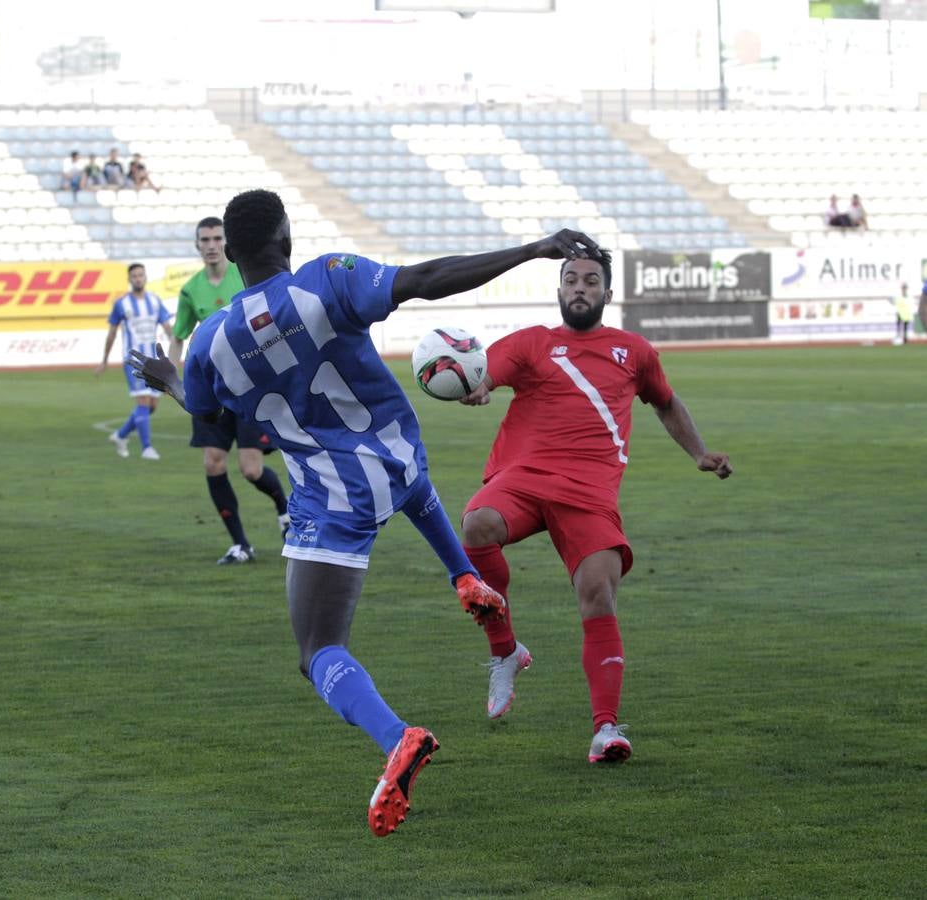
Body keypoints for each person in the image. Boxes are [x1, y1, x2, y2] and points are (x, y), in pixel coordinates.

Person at [129, 189, 596, 837]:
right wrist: (533, 249)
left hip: (334, 494)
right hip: (401, 458)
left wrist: (166, 379)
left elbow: (208, 413)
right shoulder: (326, 279)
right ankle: (464, 574)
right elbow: (428, 281)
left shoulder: (211, 342)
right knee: (403, 473)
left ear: (229, 255)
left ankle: (398, 737)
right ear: (286, 241)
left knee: (318, 648)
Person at [457, 249, 733, 766]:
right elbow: (484, 376)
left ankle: (605, 729)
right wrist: (474, 390)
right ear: (559, 291)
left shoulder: (634, 351)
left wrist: (699, 453)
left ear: (607, 294)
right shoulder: (530, 343)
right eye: (570, 280)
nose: (579, 287)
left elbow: (666, 402)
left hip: (589, 492)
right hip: (524, 477)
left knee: (598, 593)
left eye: (590, 281)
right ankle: (505, 650)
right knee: (477, 525)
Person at [170, 216, 289, 565]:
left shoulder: (245, 276)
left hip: (249, 388)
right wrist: (175, 376)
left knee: (250, 469)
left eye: (215, 238)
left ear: (226, 243)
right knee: (213, 463)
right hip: (209, 388)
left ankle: (284, 510)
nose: (209, 244)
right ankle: (240, 545)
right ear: (197, 244)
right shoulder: (191, 290)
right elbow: (179, 336)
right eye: (203, 239)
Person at [97, 263, 174, 460]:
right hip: (133, 360)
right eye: (134, 276)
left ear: (145, 277)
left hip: (153, 360)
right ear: (129, 279)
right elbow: (112, 333)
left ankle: (121, 435)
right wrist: (104, 360)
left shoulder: (155, 302)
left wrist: (174, 351)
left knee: (152, 406)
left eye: (141, 275)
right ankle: (146, 448)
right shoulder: (121, 304)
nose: (138, 279)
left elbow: (167, 328)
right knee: (143, 401)